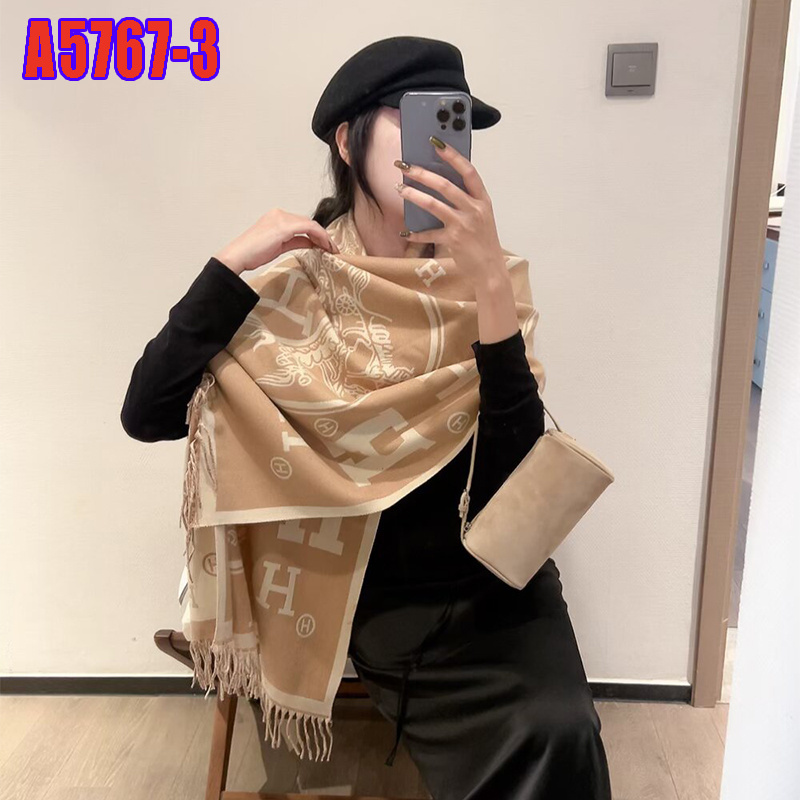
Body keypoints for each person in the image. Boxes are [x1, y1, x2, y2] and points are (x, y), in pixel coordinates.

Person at [121, 35, 612, 800]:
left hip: (496, 586)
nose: (439, 150)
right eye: (416, 121)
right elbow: (147, 411)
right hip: (377, 593)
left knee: (562, 729)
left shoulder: (488, 281)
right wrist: (228, 267)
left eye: (454, 125)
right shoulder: (299, 288)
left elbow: (514, 483)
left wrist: (488, 286)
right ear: (348, 142)